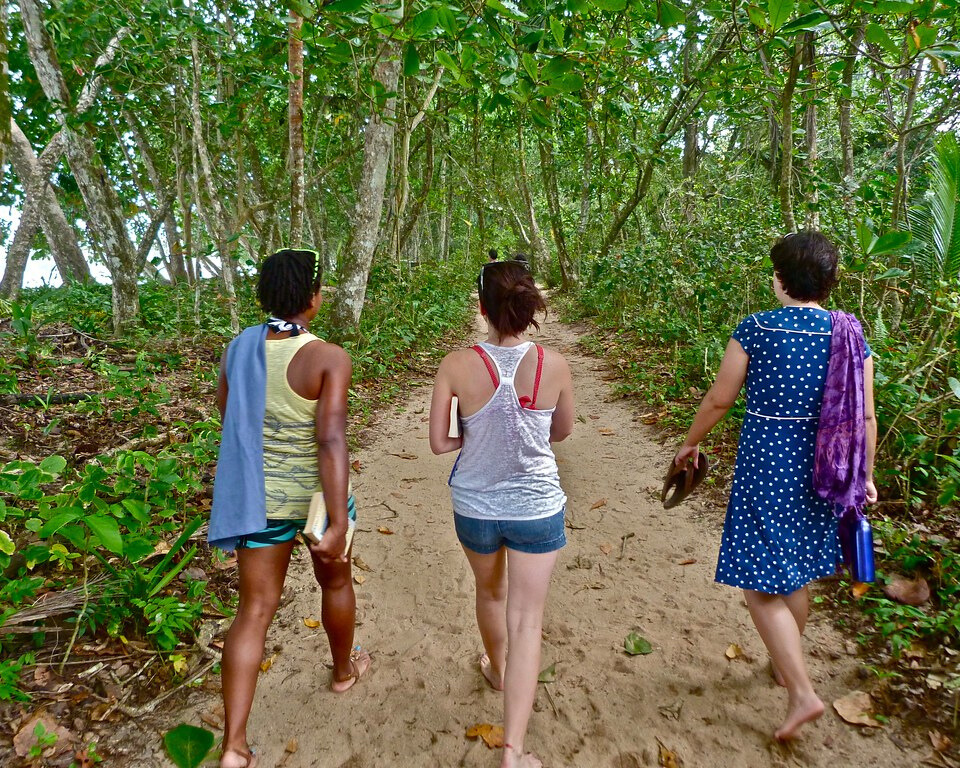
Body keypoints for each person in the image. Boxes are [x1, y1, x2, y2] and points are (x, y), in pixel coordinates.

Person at [674, 231, 877, 741]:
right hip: (825, 467)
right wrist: (865, 476)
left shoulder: (758, 329)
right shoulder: (849, 333)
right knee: (797, 571)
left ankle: (802, 692)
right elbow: (867, 415)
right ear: (829, 282)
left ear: (780, 278)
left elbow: (720, 399)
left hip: (769, 463)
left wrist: (689, 443)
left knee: (758, 581)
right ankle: (782, 663)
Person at [209, 249, 370, 768]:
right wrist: (339, 519)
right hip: (318, 499)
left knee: (253, 612)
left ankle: (234, 747)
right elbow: (330, 440)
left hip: (258, 499)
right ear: (313, 298)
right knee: (337, 583)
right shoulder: (328, 357)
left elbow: (228, 413)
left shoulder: (239, 348)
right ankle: (343, 671)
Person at [429, 260, 574, 768]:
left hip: (476, 506)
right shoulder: (553, 365)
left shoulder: (455, 365)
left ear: (482, 308)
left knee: (489, 592)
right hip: (537, 507)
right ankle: (513, 751)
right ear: (528, 306)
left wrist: (474, 432)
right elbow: (561, 431)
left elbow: (439, 442)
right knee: (528, 619)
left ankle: (497, 667)